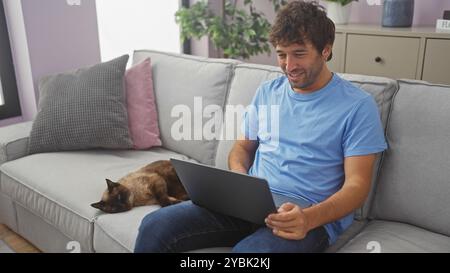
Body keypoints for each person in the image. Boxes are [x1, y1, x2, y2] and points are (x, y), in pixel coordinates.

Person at [134, 0, 387, 253]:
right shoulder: (268, 92)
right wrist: (240, 183)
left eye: (299, 53)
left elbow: (357, 186)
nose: (289, 66)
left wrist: (309, 218)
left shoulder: (357, 106)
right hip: (249, 206)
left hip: (306, 218)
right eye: (281, 54)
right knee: (154, 225)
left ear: (325, 50)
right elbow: (242, 148)